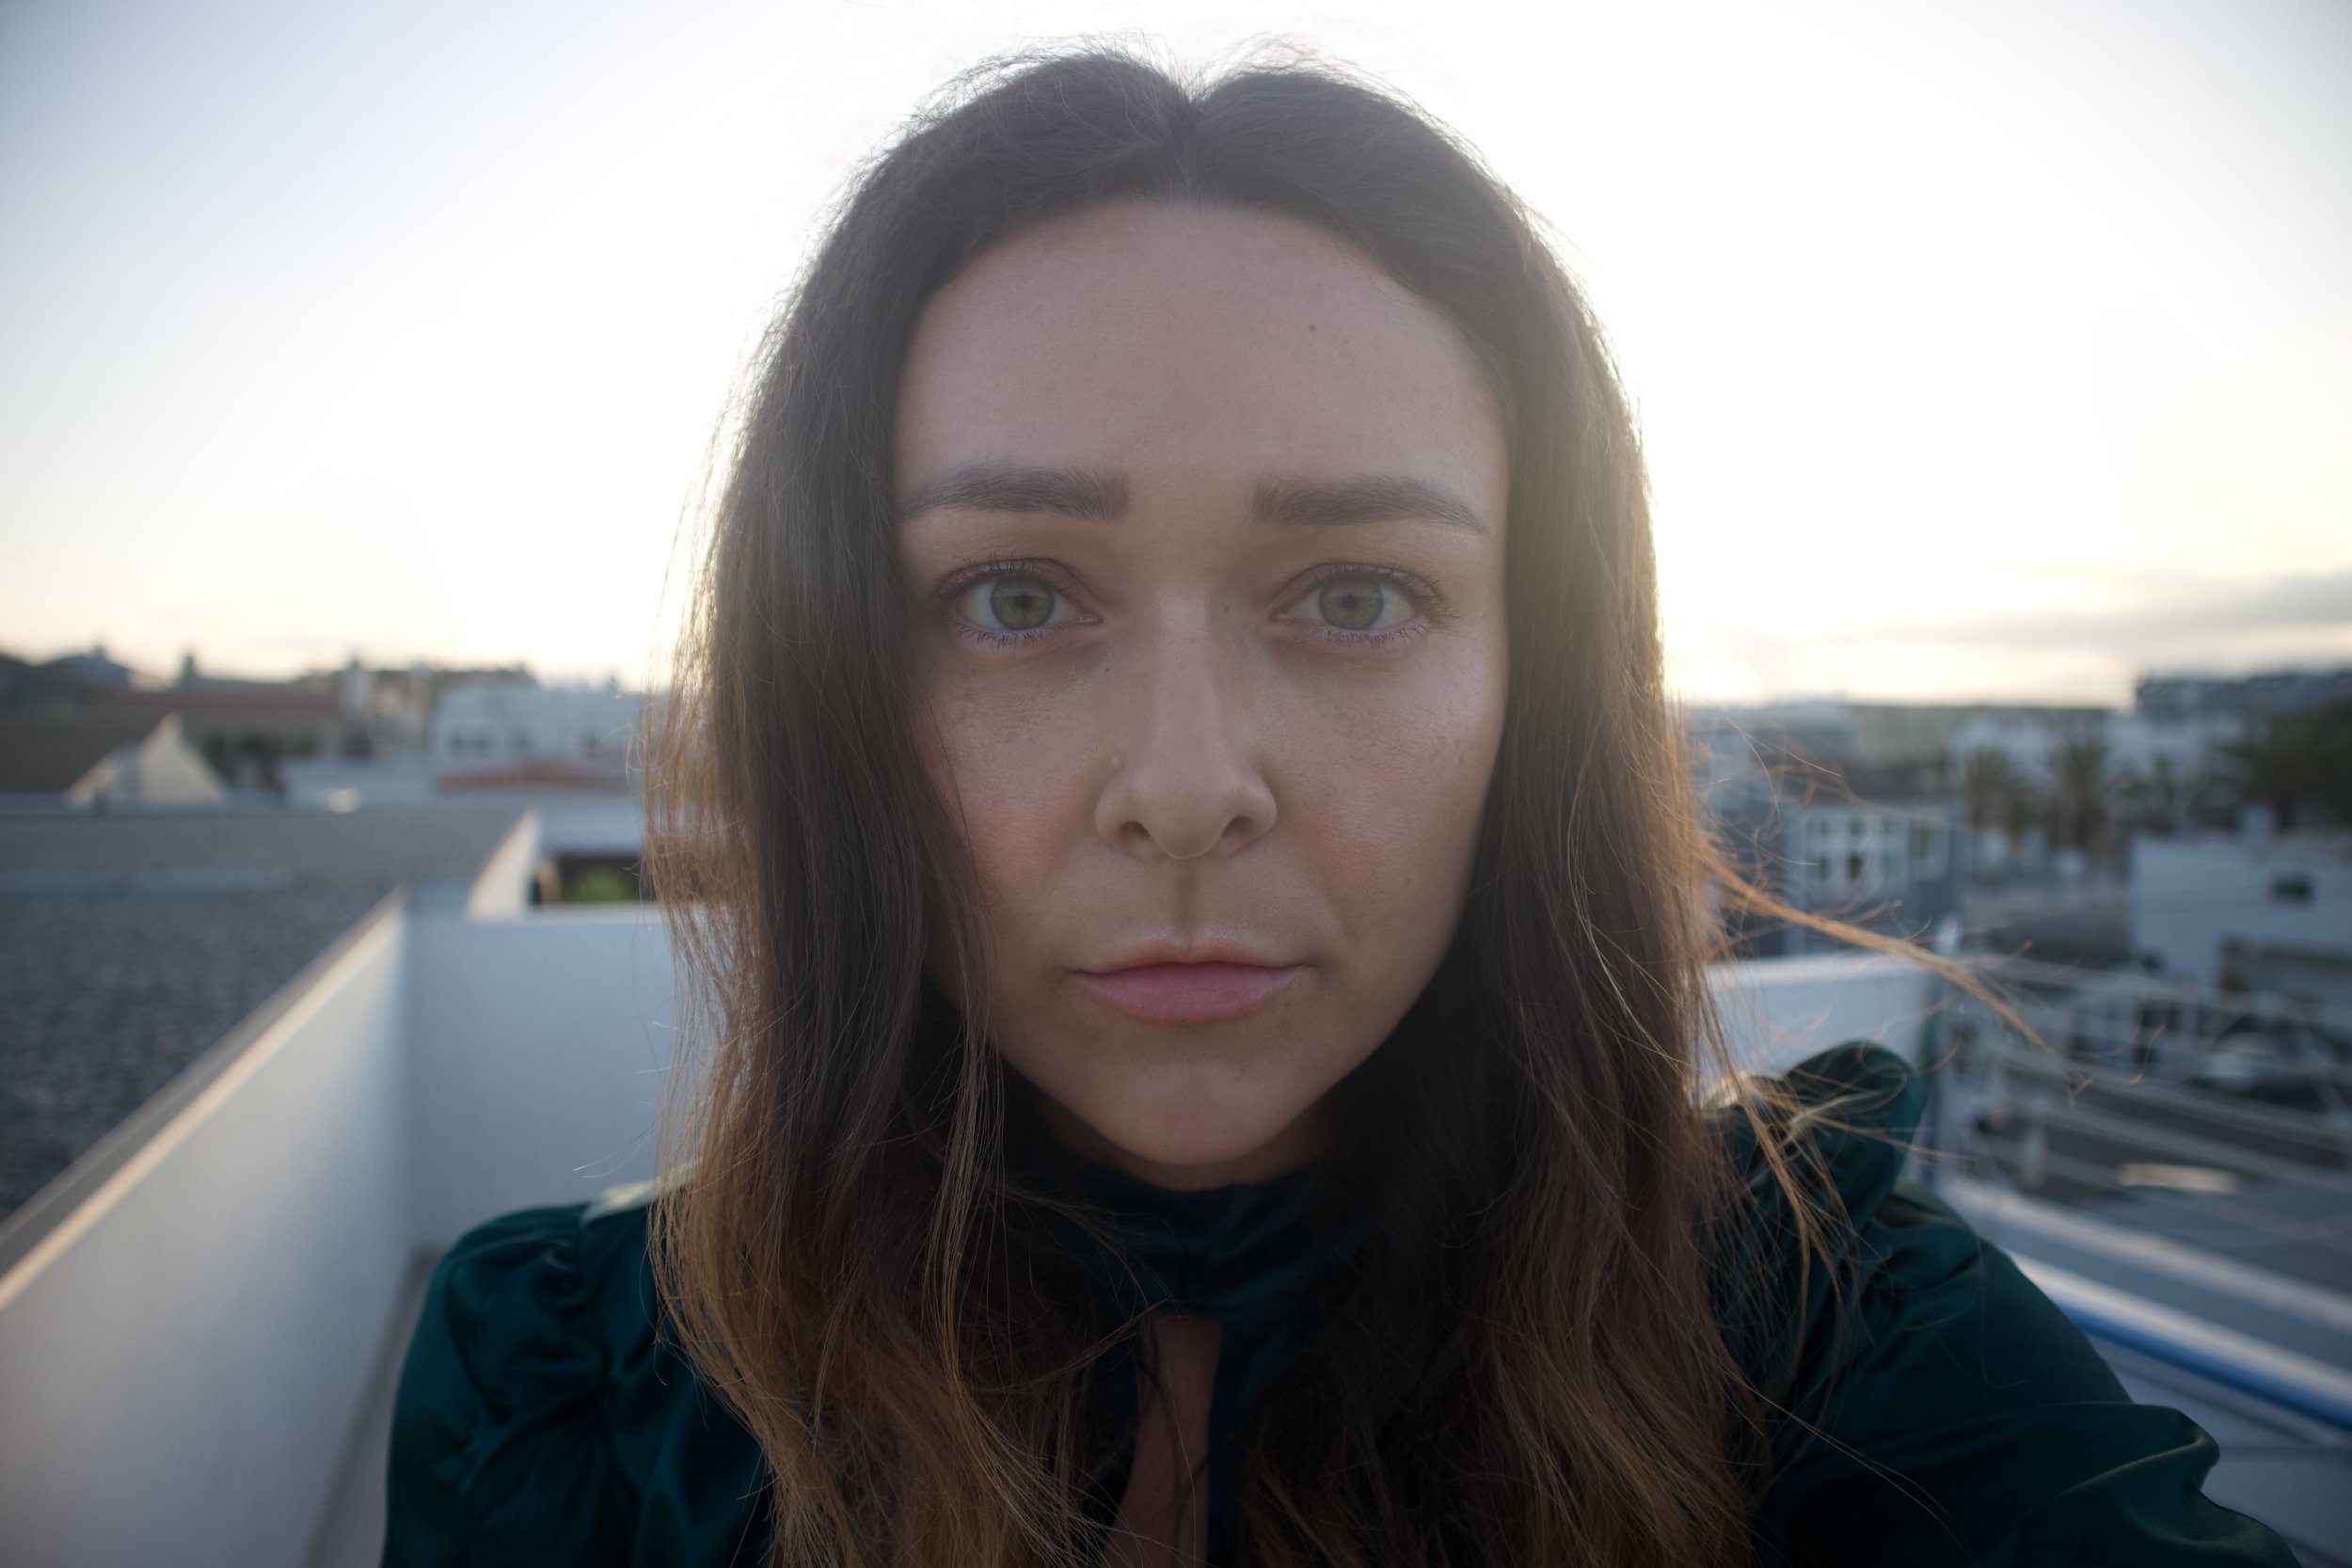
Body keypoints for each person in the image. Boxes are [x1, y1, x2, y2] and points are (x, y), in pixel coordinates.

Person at [382, 48, 2299, 1568]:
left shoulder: (1836, 1339)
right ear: (829, 685)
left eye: (1355, 598)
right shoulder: (564, 1396)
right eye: (1013, 597)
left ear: (1530, 683)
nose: (1190, 789)